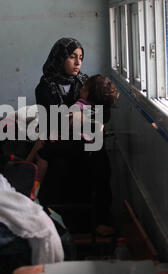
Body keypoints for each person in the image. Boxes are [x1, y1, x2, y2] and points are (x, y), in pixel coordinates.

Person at [32, 37, 117, 237]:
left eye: (81, 57)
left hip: (83, 139)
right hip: (60, 138)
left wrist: (80, 118)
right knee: (57, 163)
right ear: (60, 58)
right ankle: (53, 220)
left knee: (101, 161)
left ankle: (100, 219)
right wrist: (82, 119)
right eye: (72, 57)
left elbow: (104, 113)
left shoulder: (85, 82)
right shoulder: (45, 87)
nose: (78, 63)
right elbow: (53, 120)